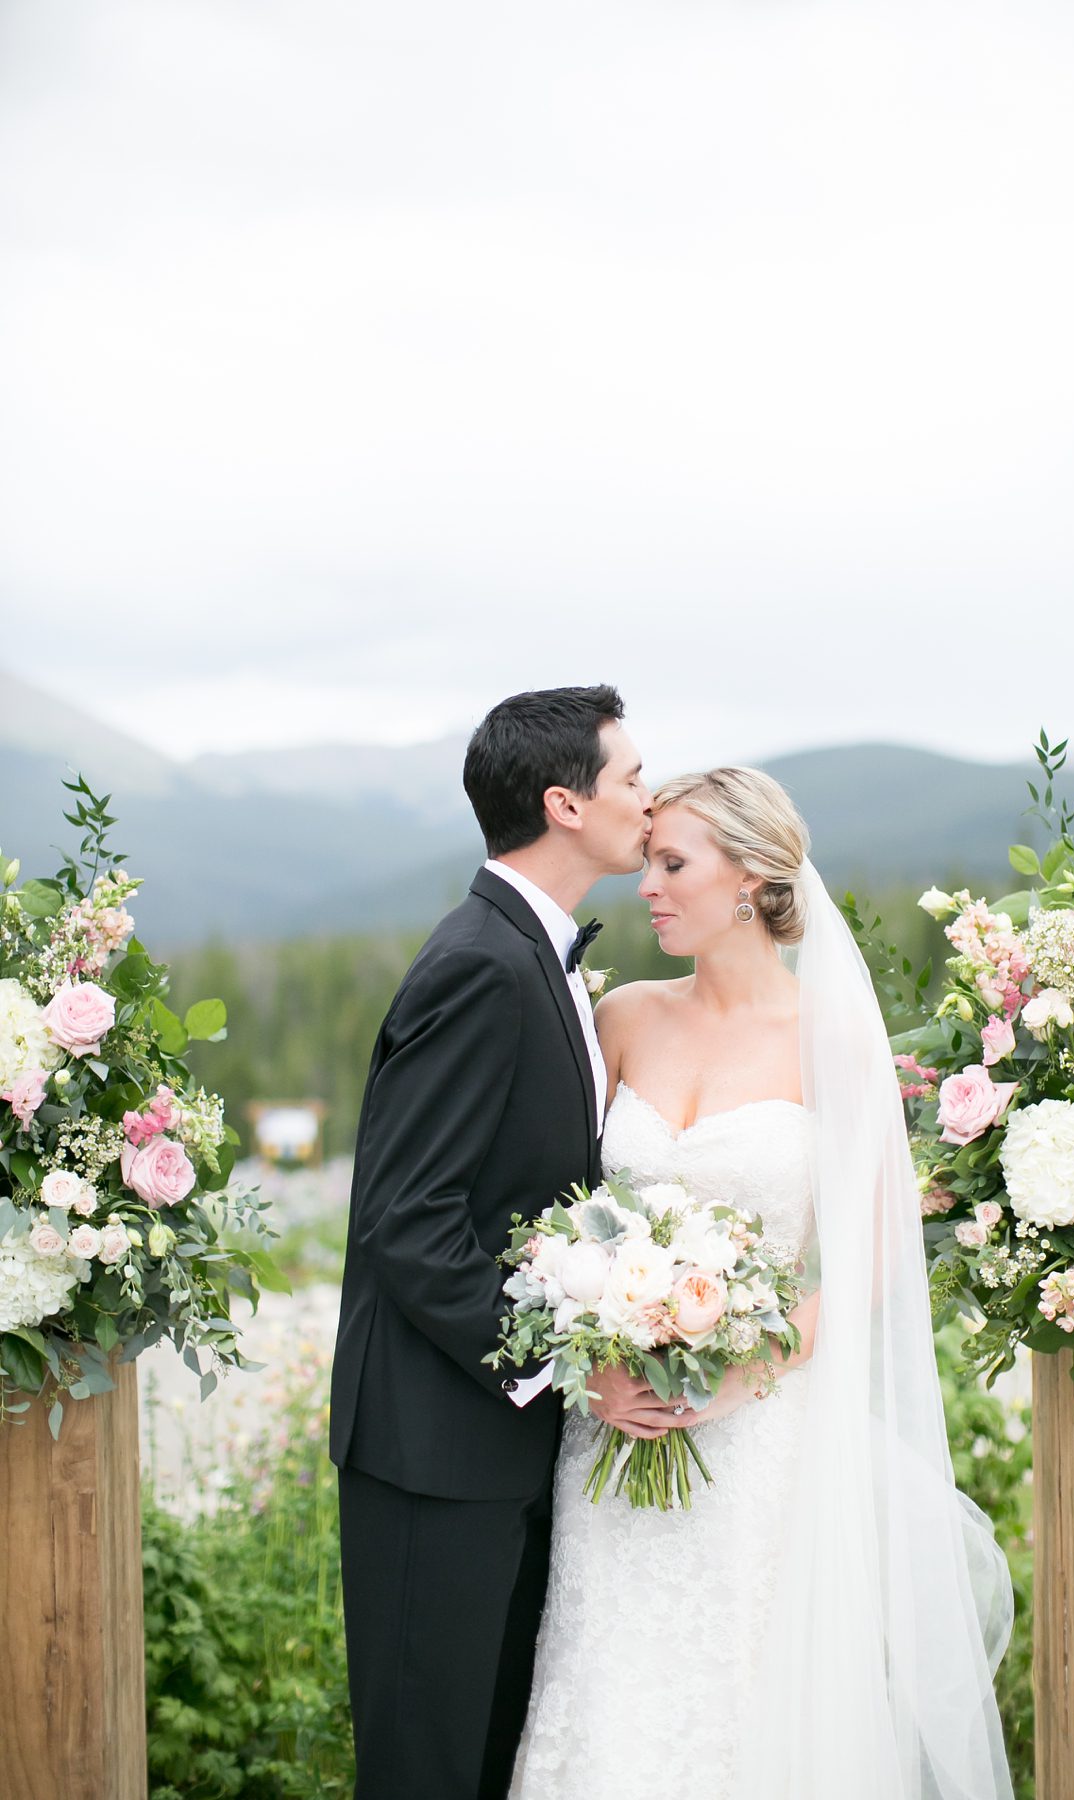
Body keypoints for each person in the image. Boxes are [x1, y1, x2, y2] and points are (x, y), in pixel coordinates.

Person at [509, 766, 1014, 1800]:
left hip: (758, 1442)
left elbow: (873, 1256)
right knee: (606, 1695)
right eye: (646, 860)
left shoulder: (830, 1039)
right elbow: (551, 1215)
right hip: (616, 1428)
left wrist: (743, 1369)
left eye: (671, 863)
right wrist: (597, 1346)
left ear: (749, 880)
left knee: (747, 1708)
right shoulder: (624, 1020)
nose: (646, 885)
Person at [329, 685, 678, 1800]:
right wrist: (567, 1365)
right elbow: (408, 1221)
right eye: (630, 778)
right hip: (433, 1456)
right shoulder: (482, 962)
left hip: (497, 1451)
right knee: (426, 1768)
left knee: (489, 1762)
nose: (649, 798)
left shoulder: (538, 955)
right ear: (564, 803)